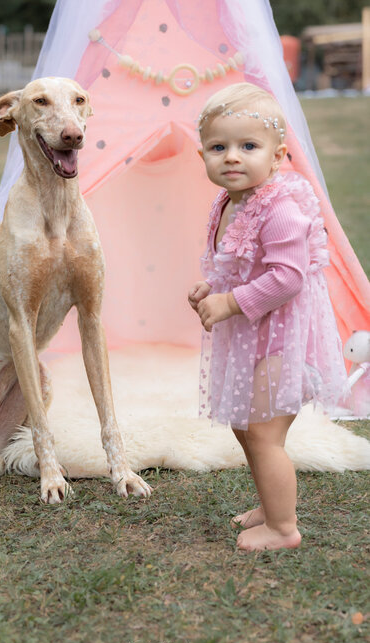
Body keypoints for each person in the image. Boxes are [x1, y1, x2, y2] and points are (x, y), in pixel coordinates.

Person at [188, 83, 347, 552]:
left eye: (248, 146)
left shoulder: (279, 209)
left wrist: (230, 303)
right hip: (251, 337)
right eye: (219, 148)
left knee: (264, 433)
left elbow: (288, 278)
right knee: (244, 425)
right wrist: (212, 288)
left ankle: (283, 527)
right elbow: (238, 263)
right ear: (202, 155)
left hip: (281, 340)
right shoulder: (230, 201)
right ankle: (269, 504)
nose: (232, 157)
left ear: (277, 157)